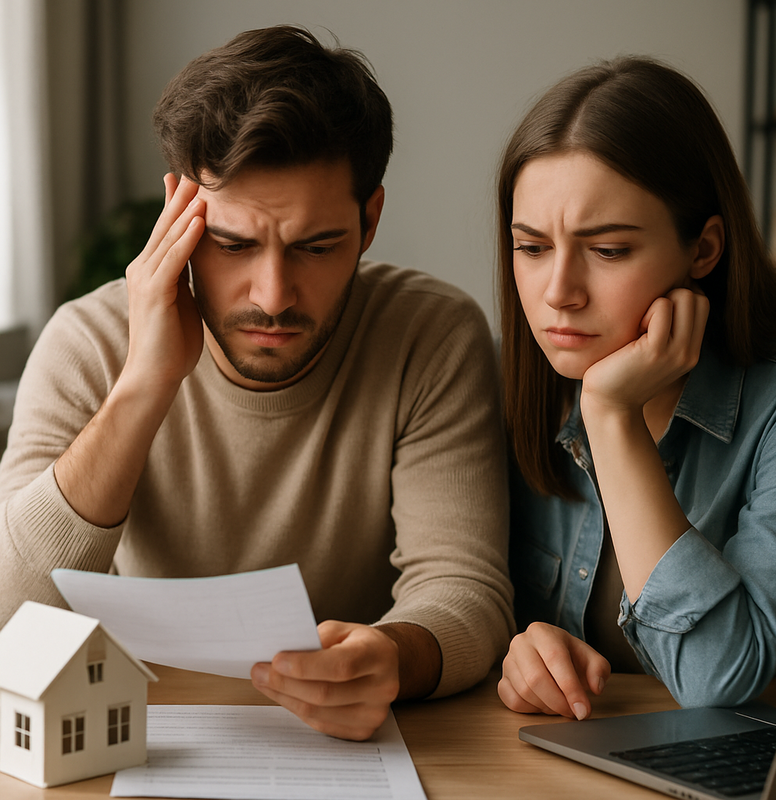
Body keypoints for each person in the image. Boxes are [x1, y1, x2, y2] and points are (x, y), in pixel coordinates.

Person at [0, 26, 515, 741]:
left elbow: (467, 591)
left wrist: (393, 657)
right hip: (144, 739)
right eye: (232, 244)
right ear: (178, 209)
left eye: (316, 246)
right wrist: (147, 381)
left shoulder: (430, 337)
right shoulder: (85, 343)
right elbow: (8, 612)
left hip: (353, 744)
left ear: (369, 222)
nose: (272, 295)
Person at [495, 56, 776, 722]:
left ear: (704, 249)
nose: (559, 294)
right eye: (532, 247)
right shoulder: (501, 384)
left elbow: (722, 676)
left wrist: (610, 417)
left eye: (607, 250)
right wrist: (517, 655)